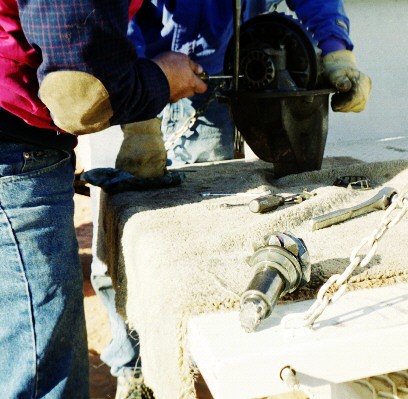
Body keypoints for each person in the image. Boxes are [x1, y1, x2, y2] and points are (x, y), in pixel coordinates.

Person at [83, 1, 371, 398]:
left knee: (206, 242)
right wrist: (139, 99)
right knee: (125, 242)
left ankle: (211, 359)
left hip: (220, 88)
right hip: (138, 80)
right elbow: (111, 16)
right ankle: (134, 369)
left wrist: (336, 48)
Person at [0, 2, 208, 398]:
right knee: (42, 377)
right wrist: (161, 81)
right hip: (14, 148)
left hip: (18, 138)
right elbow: (77, 93)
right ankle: (134, 371)